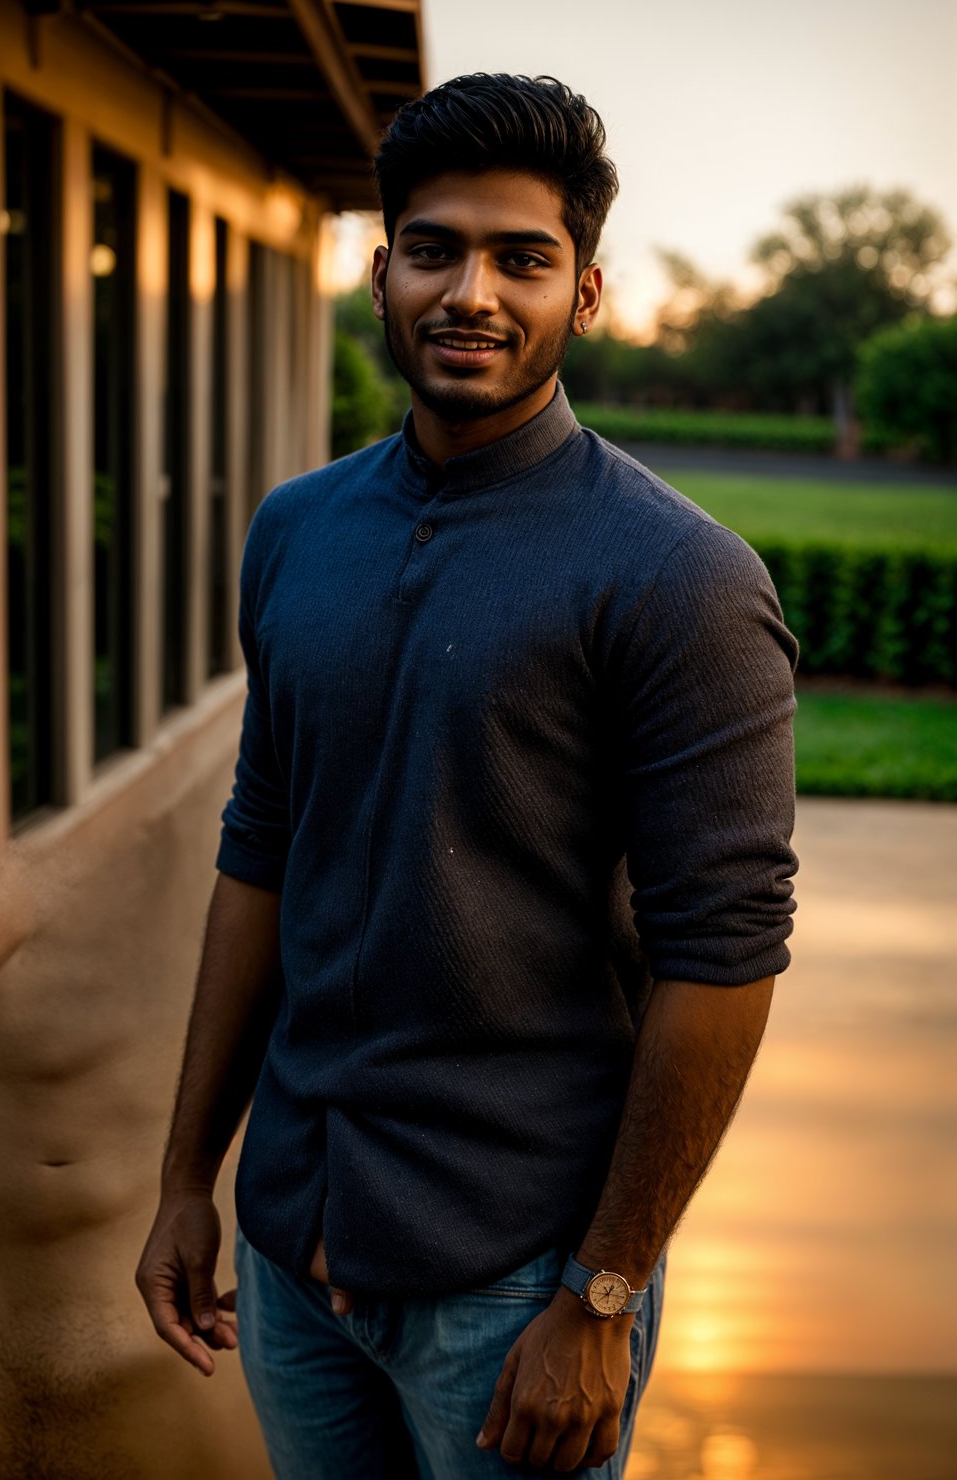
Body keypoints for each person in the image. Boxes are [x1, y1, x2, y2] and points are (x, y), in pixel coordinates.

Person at [136, 73, 798, 1479]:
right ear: (380, 273)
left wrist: (604, 1293)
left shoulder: (679, 579)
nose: (470, 292)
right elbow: (262, 851)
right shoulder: (297, 531)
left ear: (589, 291)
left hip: (514, 1282)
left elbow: (724, 961)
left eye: (522, 258)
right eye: (434, 249)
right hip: (292, 1244)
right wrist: (187, 1179)